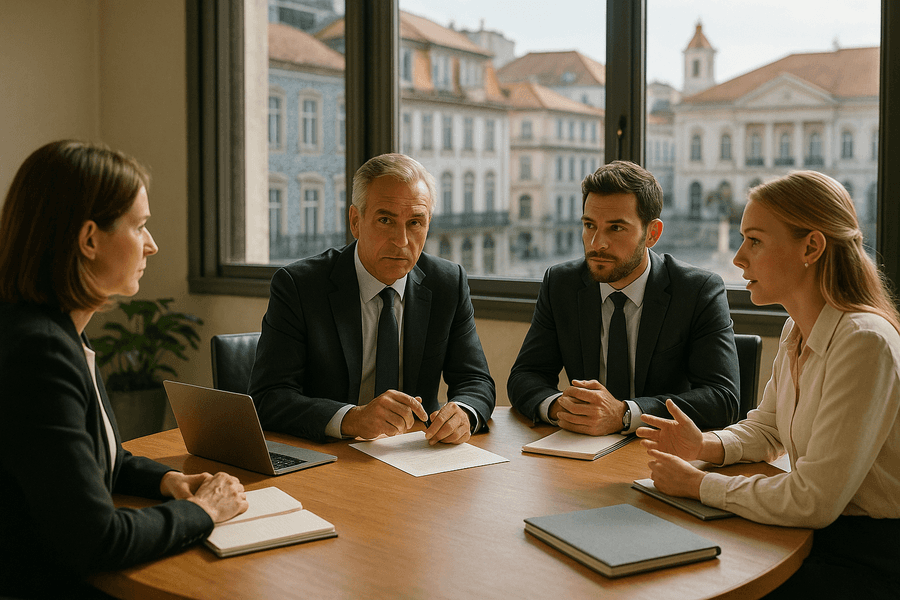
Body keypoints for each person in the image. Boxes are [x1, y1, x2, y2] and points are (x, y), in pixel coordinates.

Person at [0, 140, 248, 599]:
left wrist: (165, 479)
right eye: (140, 227)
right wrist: (205, 512)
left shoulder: (58, 328)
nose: (152, 246)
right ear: (89, 239)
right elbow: (96, 540)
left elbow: (90, 456)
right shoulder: (40, 351)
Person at [638, 171, 900, 598]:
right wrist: (704, 446)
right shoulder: (798, 329)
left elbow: (813, 499)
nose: (739, 258)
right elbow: (768, 429)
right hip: (821, 535)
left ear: (811, 247)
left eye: (754, 240)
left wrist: (697, 484)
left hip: (869, 556)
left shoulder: (863, 342)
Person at [249, 153, 495, 445]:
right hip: (329, 455)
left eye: (415, 222)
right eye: (385, 220)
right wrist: (353, 418)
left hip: (414, 458)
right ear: (356, 221)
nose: (401, 241)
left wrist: (464, 413)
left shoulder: (447, 283)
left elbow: (476, 381)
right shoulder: (299, 286)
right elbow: (268, 397)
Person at [508, 160, 739, 436]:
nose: (596, 243)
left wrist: (625, 414)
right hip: (581, 450)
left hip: (661, 452)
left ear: (651, 233)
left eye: (616, 228)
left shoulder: (698, 291)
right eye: (590, 225)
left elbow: (722, 399)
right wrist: (561, 407)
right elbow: (524, 376)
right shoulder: (562, 284)